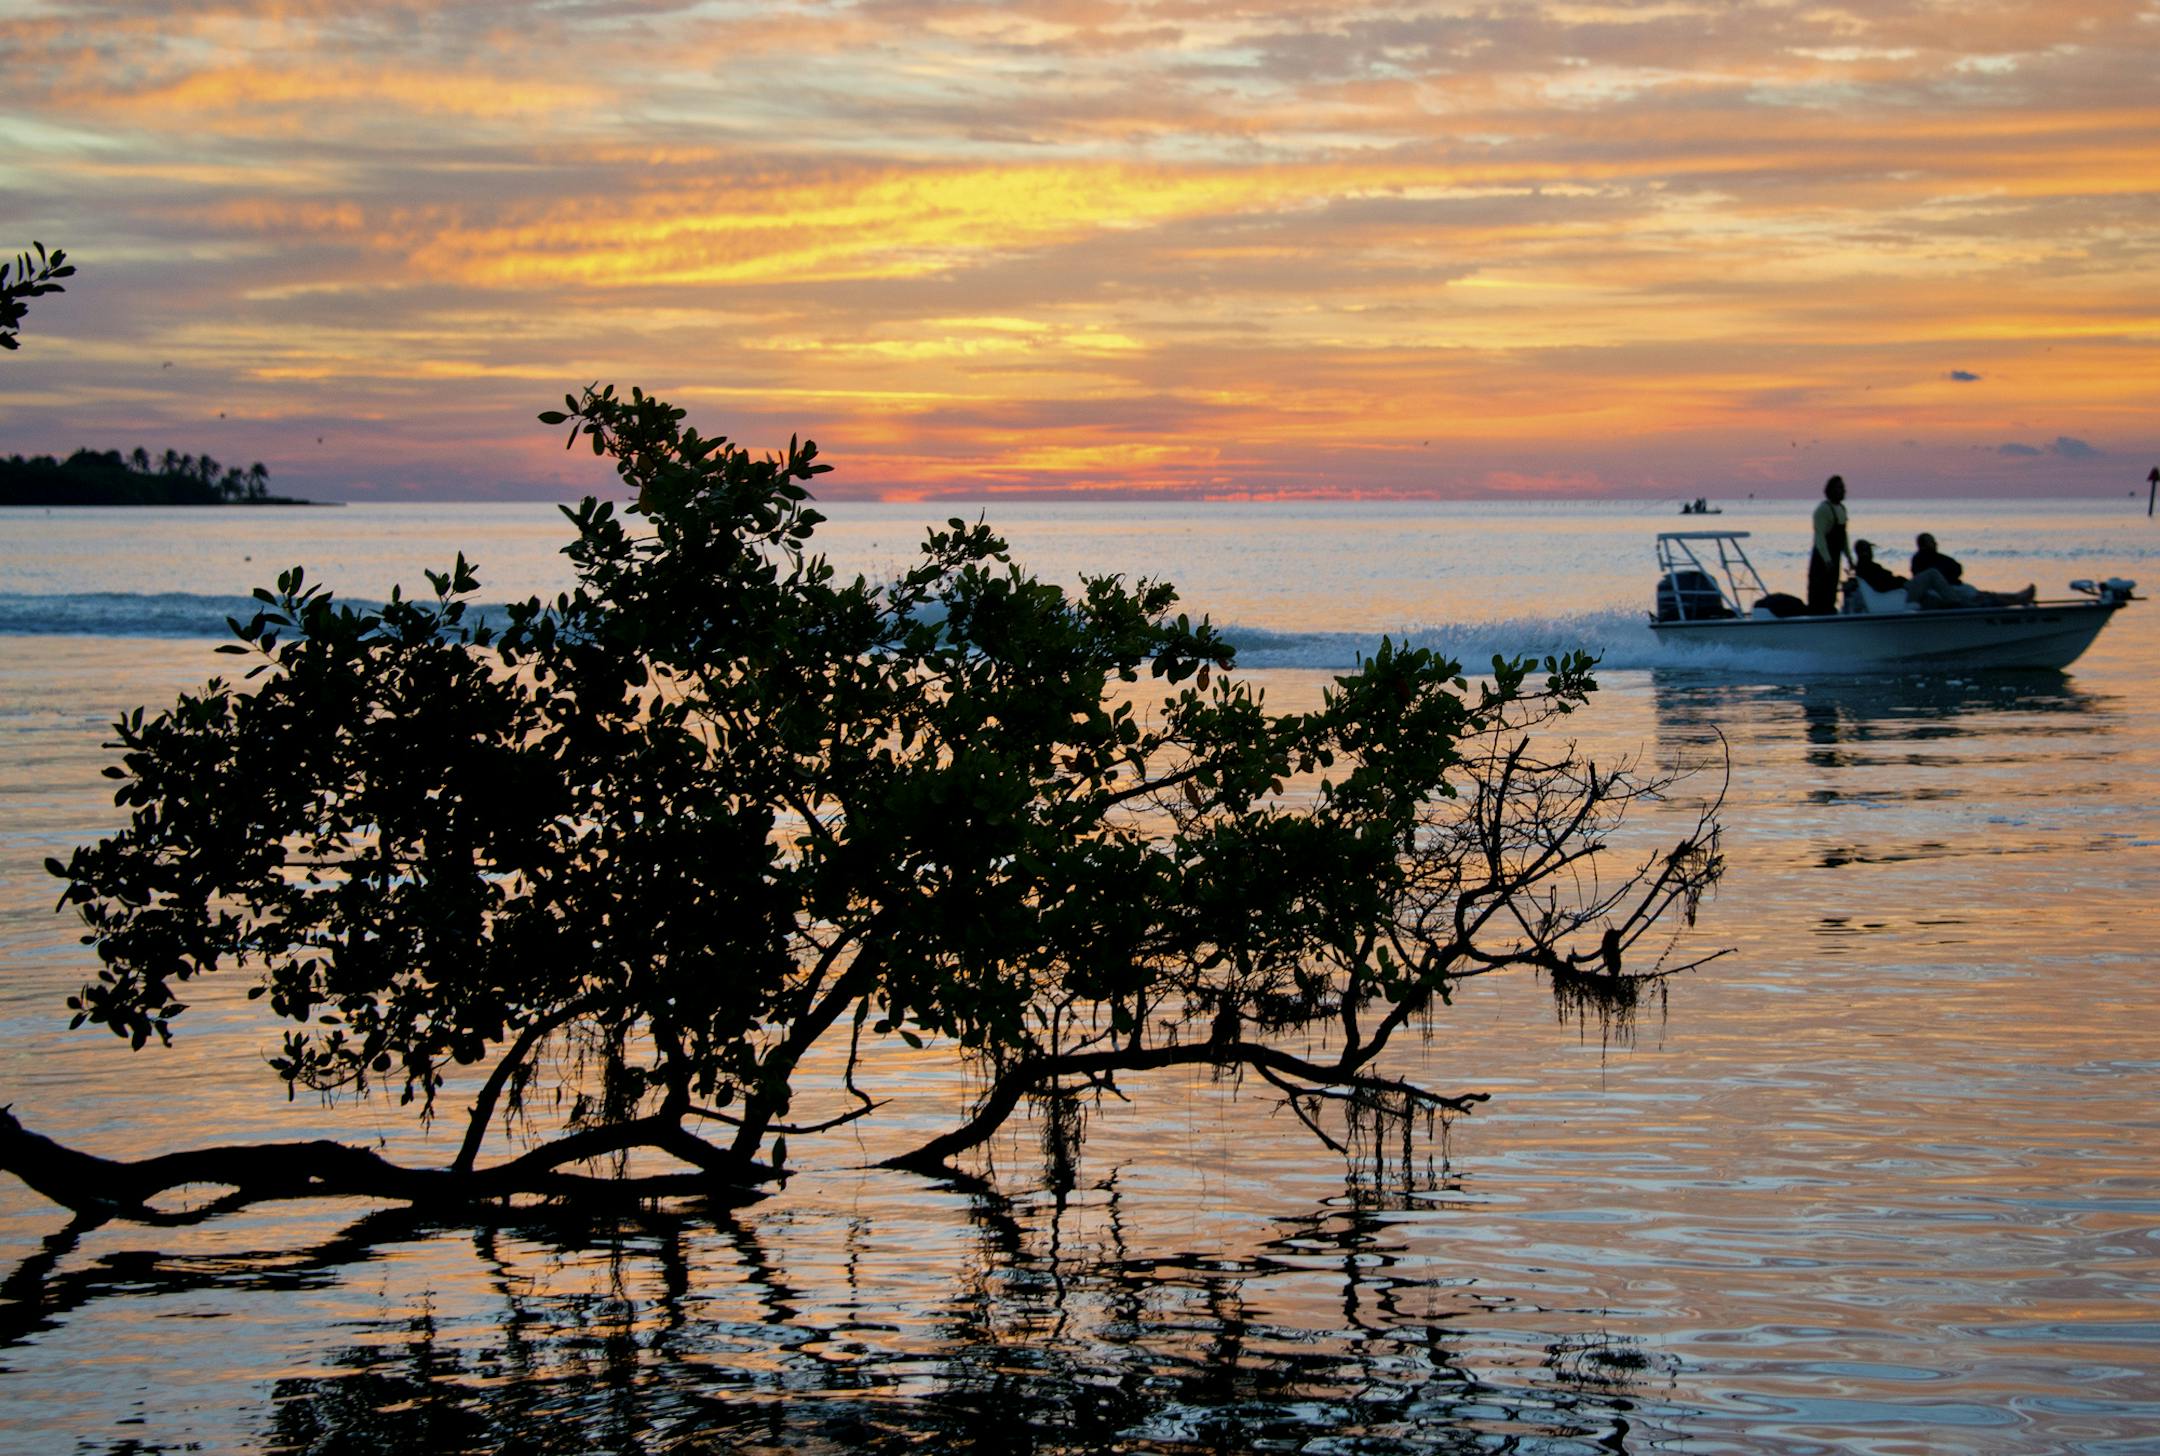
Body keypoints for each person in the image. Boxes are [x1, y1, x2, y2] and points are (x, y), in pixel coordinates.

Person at [1910, 532, 2036, 606]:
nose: (1936, 544)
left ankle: (2017, 597)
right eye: (1932, 542)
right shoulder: (1921, 559)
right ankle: (2018, 599)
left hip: (1954, 587)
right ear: (1924, 545)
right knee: (1984, 598)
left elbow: (1956, 567)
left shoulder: (1937, 557)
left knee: (1986, 594)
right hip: (1949, 591)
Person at [1807, 475, 1850, 614]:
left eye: (1843, 488)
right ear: (1831, 490)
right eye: (1840, 488)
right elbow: (1819, 537)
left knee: (1832, 589)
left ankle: (1830, 611)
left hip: (1835, 557)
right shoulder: (1823, 510)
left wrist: (1850, 558)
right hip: (1822, 558)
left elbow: (1844, 537)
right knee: (1818, 590)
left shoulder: (1842, 509)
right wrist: (1827, 559)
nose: (1843, 491)